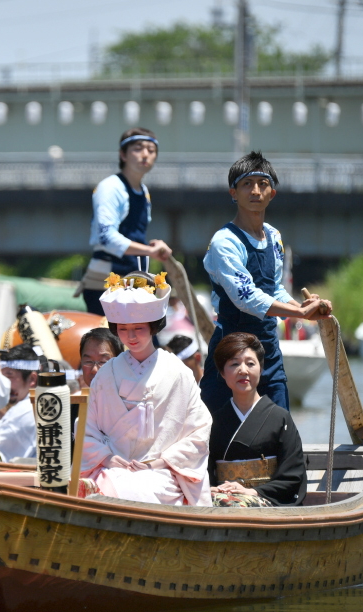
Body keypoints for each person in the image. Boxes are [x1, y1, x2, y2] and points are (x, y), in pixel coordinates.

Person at [200, 152, 332, 414]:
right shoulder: (224, 242)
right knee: (215, 435)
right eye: (247, 184)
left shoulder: (274, 237)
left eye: (263, 184)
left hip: (267, 349)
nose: (255, 191)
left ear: (272, 193)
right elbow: (245, 296)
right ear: (233, 192)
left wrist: (304, 308)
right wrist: (298, 313)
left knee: (280, 427)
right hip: (230, 348)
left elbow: (274, 288)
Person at [80, 271, 212, 506]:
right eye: (122, 328)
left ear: (153, 326)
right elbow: (87, 431)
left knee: (129, 490)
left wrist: (161, 462)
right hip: (111, 468)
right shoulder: (106, 375)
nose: (130, 336)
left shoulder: (178, 373)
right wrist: (107, 458)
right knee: (102, 488)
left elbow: (199, 431)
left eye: (138, 328)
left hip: (163, 473)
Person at [77, 128, 173, 315]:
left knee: (146, 342)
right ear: (123, 154)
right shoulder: (110, 187)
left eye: (151, 150)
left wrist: (152, 246)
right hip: (106, 284)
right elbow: (106, 237)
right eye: (138, 148)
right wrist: (149, 251)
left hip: (134, 283)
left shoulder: (144, 192)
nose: (145, 154)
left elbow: (135, 234)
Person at [208, 332, 307, 507]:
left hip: (265, 501)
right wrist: (210, 488)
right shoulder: (212, 422)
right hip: (222, 499)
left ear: (261, 369)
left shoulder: (280, 419)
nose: (243, 370)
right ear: (222, 372)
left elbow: (292, 476)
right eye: (234, 364)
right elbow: (202, 470)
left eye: (250, 363)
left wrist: (252, 492)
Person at [0, 344, 47, 461]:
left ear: (33, 379)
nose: (4, 384)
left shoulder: (26, 409)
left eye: (9, 376)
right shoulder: (40, 402)